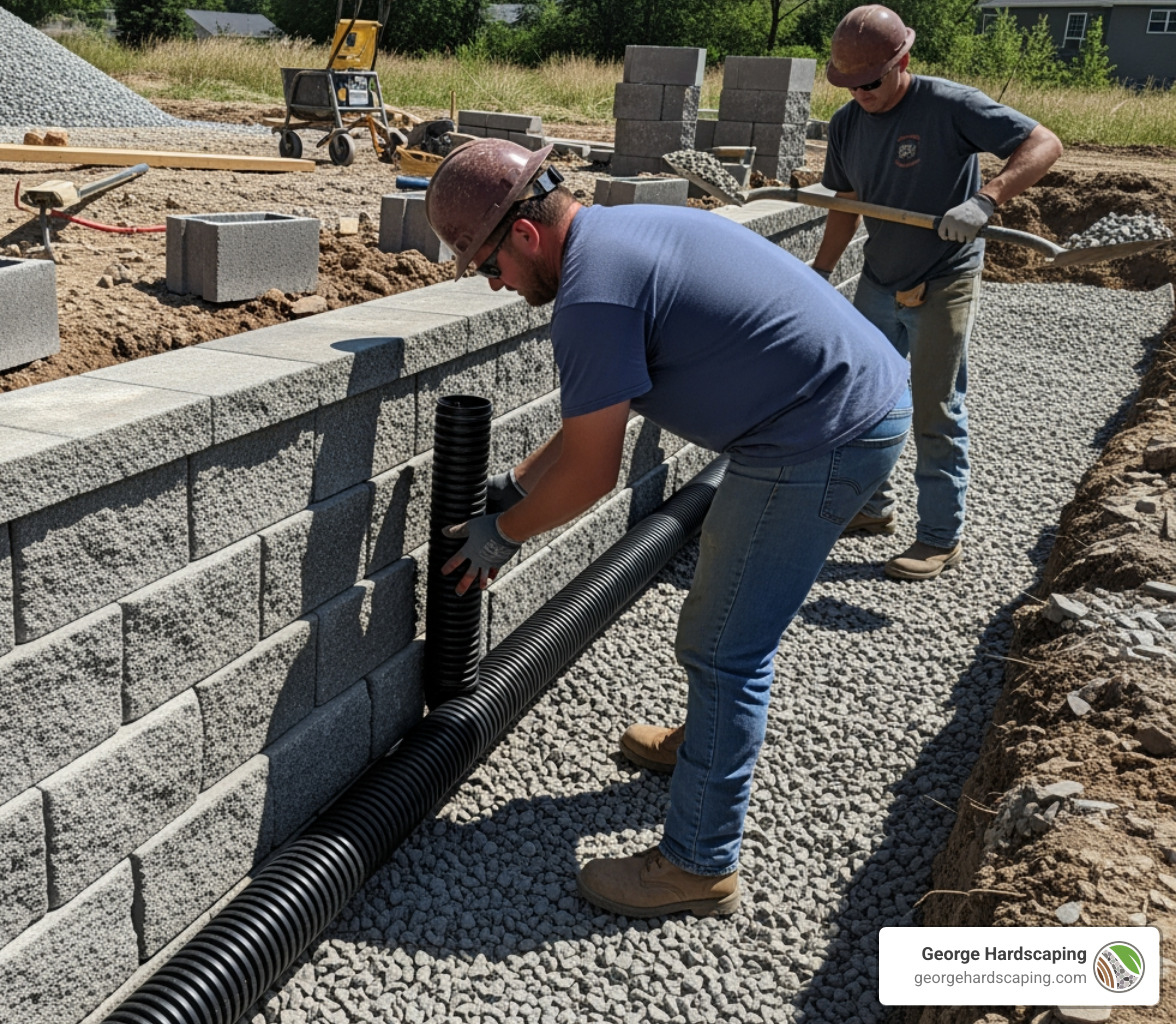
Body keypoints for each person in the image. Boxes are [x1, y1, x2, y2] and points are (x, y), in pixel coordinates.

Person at [427, 138, 912, 918]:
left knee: (724, 647)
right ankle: (703, 746)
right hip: (840, 405)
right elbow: (589, 423)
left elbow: (593, 473)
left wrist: (504, 535)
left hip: (820, 437)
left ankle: (699, 865)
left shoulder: (592, 299)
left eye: (489, 265)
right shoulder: (618, 237)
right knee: (727, 620)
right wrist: (514, 486)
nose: (493, 284)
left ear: (524, 235)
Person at [811, 4, 1062, 580]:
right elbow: (845, 207)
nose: (860, 94)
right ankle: (871, 507)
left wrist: (987, 198)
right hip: (879, 279)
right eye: (848, 83)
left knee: (935, 409)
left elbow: (1045, 143)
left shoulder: (950, 105)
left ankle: (940, 537)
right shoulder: (848, 122)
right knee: (862, 399)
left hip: (944, 278)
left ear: (903, 61)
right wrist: (820, 271)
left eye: (871, 81)